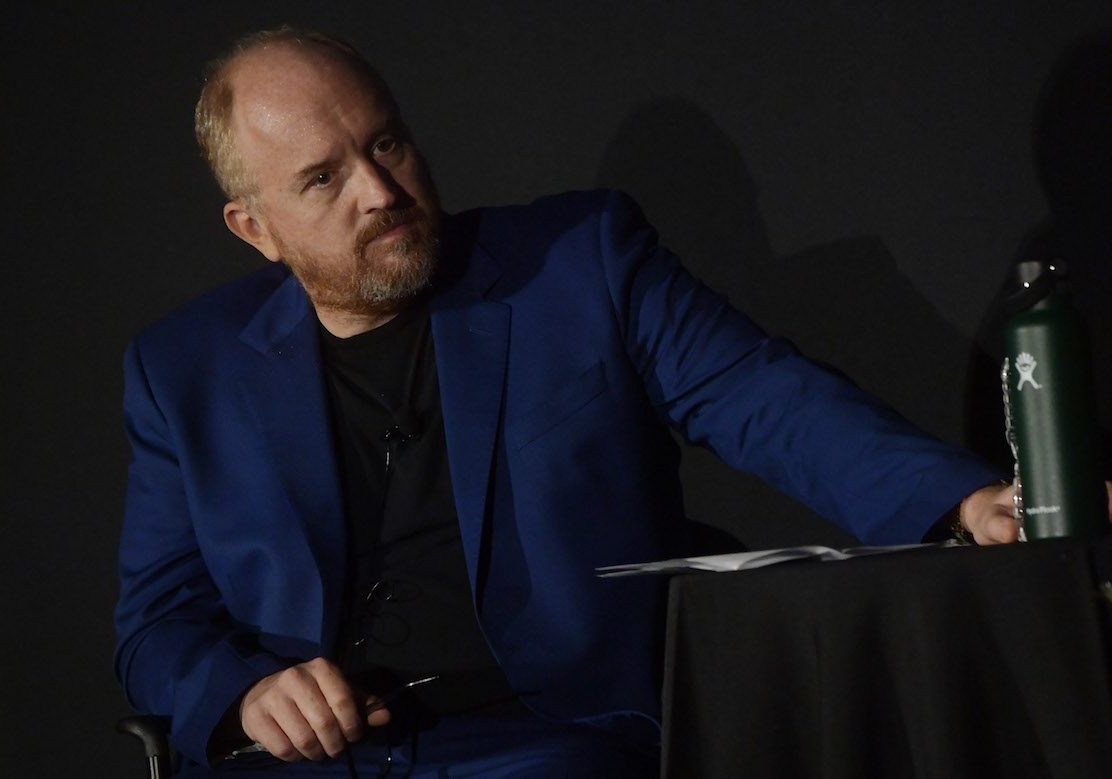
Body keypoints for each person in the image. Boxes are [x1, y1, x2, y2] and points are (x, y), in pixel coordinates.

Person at [114, 26, 1065, 777]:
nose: (378, 189)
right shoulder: (182, 368)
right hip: (304, 764)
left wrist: (960, 501)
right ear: (255, 227)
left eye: (386, 142)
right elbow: (157, 621)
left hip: (547, 740)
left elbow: (764, 398)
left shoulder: (580, 262)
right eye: (323, 177)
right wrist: (244, 696)